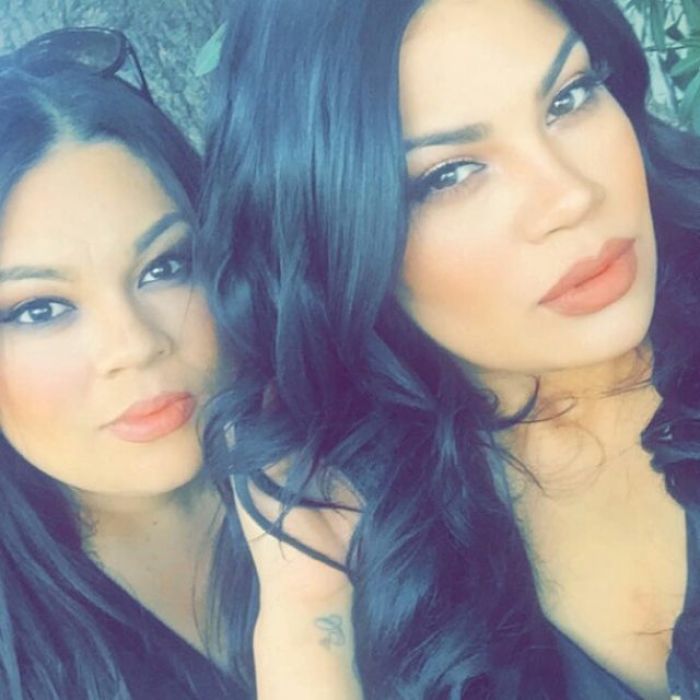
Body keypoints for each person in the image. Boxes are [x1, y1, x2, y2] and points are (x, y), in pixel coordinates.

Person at [198, 0, 700, 698]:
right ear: (338, 240)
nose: (571, 196)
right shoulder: (365, 537)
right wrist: (307, 621)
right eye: (450, 174)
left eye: (570, 97)